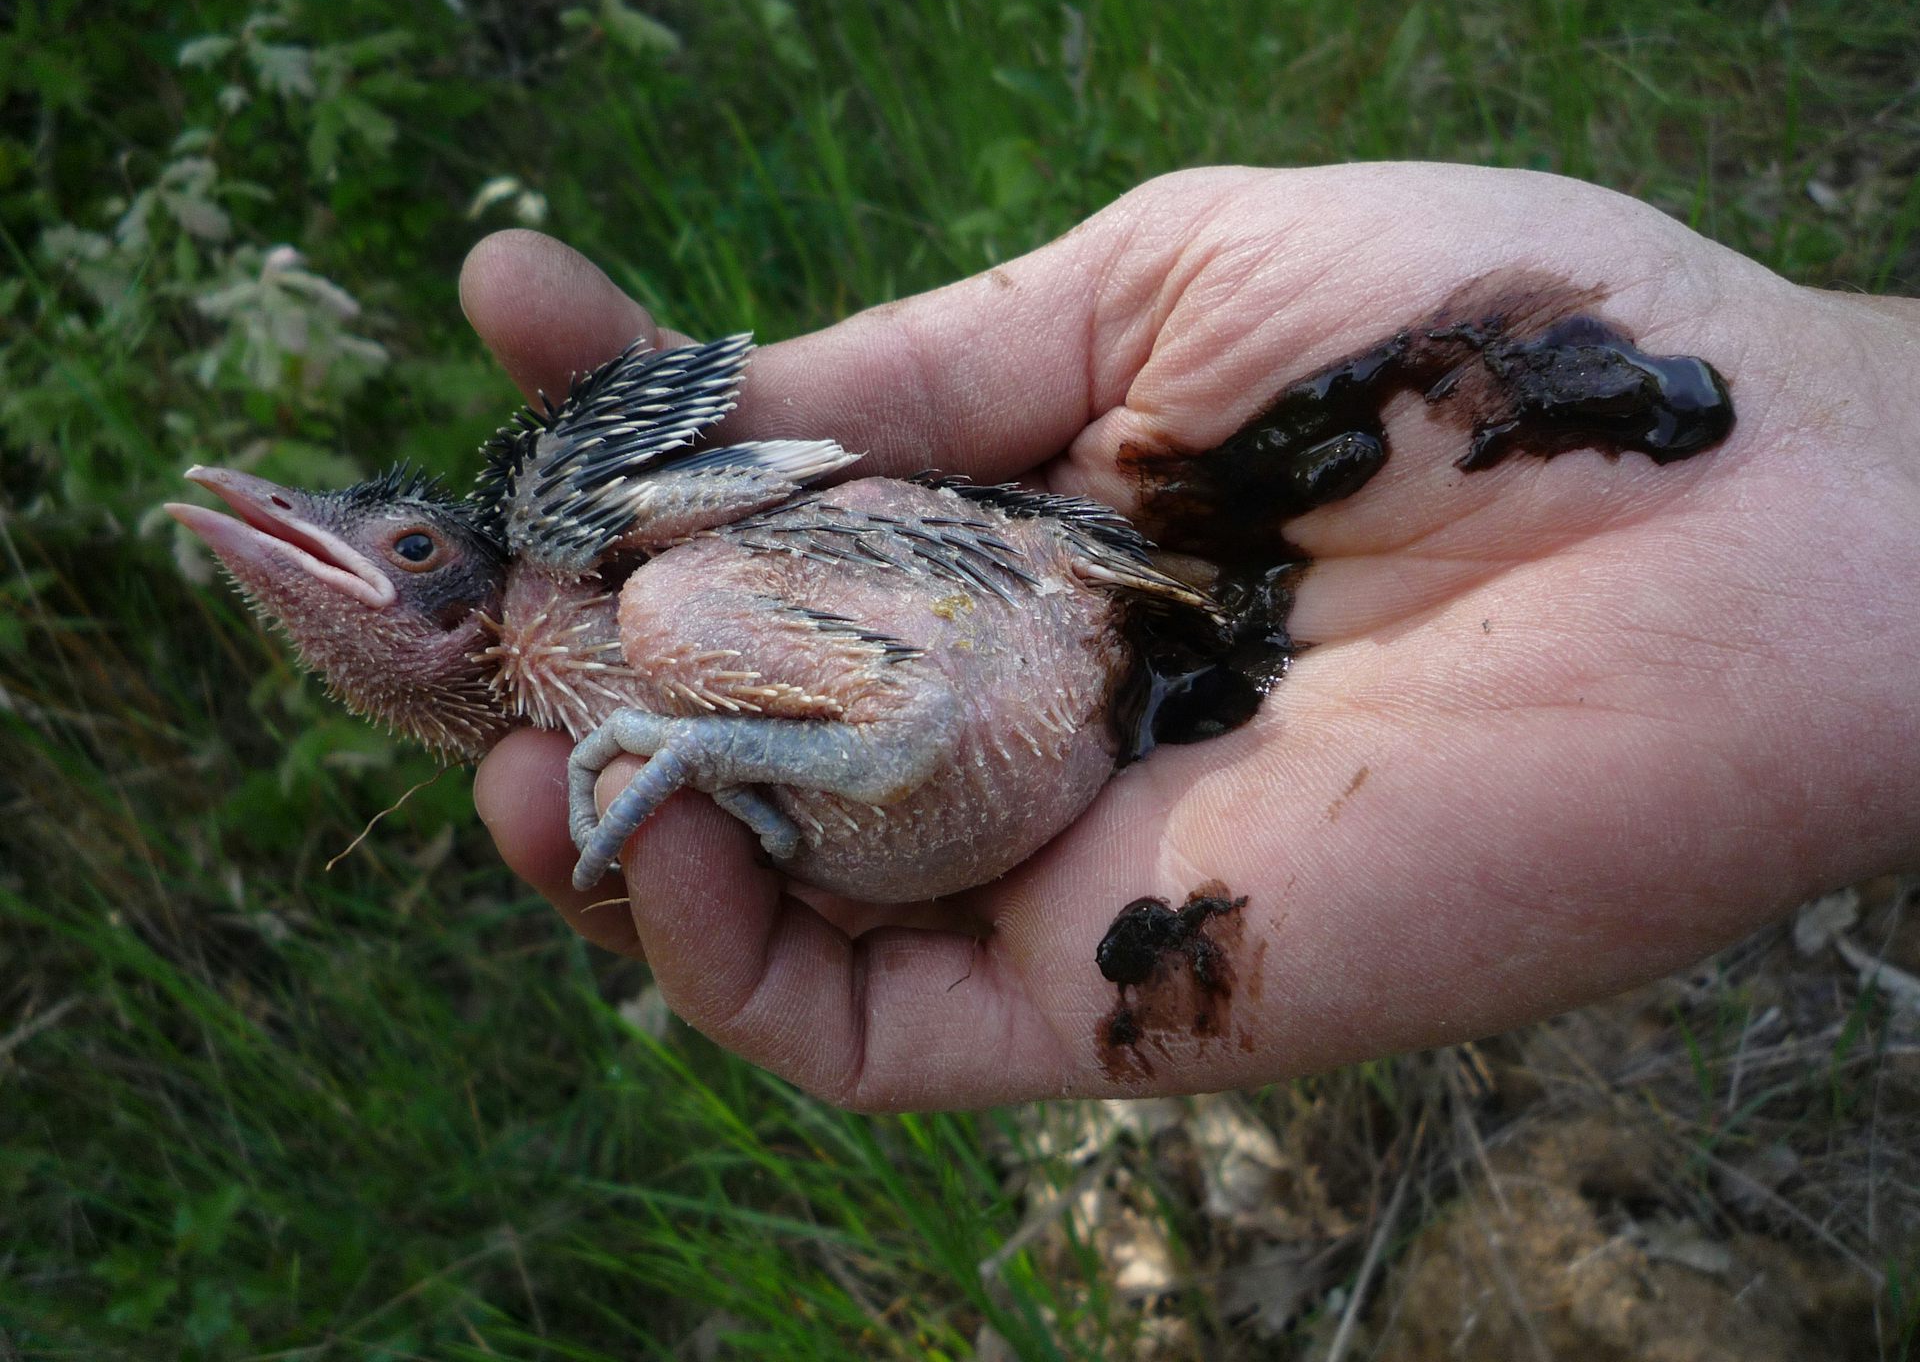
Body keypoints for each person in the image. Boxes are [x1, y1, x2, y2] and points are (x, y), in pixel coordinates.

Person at [460, 163, 1920, 1111]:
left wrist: (1821, 435)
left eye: (416, 552)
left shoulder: (661, 593)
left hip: (1059, 659)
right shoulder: (634, 626)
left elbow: (903, 711)